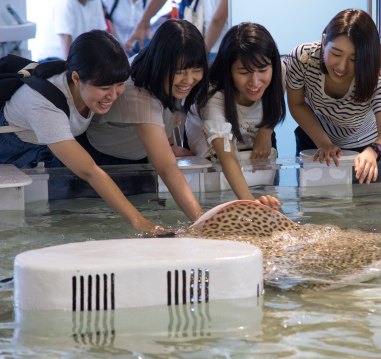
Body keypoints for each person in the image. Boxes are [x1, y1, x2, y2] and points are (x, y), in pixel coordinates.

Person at [0, 30, 164, 234]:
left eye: (120, 84)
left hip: (37, 159)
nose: (113, 95)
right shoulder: (43, 103)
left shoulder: (89, 88)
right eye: (104, 88)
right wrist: (140, 222)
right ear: (76, 78)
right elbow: (90, 171)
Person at [78, 20, 207, 222]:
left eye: (196, 70)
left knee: (149, 212)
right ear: (162, 62)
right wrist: (202, 221)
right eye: (180, 71)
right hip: (101, 158)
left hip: (138, 154)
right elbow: (166, 168)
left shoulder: (157, 66)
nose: (188, 80)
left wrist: (167, 144)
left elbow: (166, 112)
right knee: (106, 223)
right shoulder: (136, 90)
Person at [284, 9, 381, 185]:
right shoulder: (303, 59)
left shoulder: (377, 79)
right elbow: (297, 104)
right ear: (323, 41)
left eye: (354, 59)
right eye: (336, 54)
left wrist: (372, 151)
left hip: (365, 146)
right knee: (315, 208)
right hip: (316, 140)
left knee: (370, 208)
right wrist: (323, 143)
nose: (341, 67)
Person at [185, 22, 283, 209]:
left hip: (257, 167)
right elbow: (226, 155)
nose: (255, 82)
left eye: (262, 70)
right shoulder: (211, 95)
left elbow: (281, 93)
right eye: (244, 72)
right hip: (213, 171)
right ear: (228, 70)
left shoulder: (280, 70)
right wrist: (252, 205)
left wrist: (266, 130)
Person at [124, 0, 228, 59]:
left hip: (210, 49)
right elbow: (218, 19)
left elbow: (218, 19)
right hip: (205, 46)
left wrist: (203, 53)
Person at [37, 0, 107, 61]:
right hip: (54, 59)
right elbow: (65, 37)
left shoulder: (96, 2)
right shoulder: (65, 2)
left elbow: (103, 37)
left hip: (80, 60)